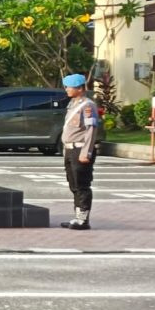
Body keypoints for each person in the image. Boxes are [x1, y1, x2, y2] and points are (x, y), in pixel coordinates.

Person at [60, 73, 99, 230]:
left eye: (70, 87)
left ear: (80, 88)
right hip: (70, 149)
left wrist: (86, 152)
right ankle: (77, 216)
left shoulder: (87, 106)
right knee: (73, 184)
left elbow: (91, 129)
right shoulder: (72, 104)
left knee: (82, 184)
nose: (67, 90)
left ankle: (83, 219)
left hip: (80, 148)